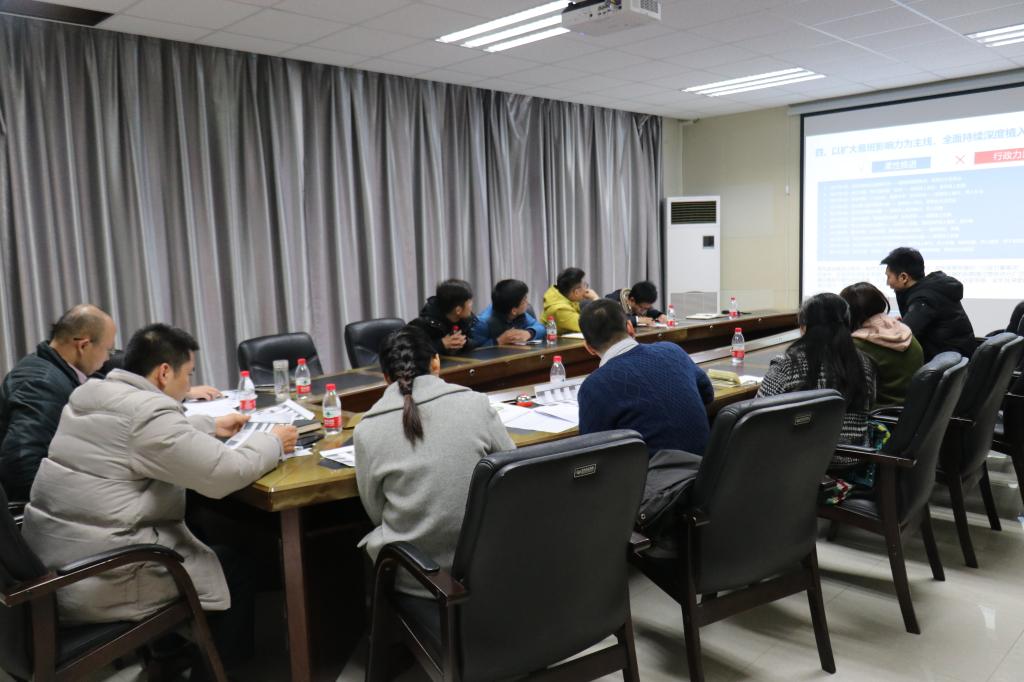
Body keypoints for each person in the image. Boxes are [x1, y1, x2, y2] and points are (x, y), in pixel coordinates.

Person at [22, 323, 297, 670]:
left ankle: (171, 653)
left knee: (201, 537)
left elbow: (137, 436)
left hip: (51, 571)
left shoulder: (92, 394)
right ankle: (217, 673)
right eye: (188, 374)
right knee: (233, 568)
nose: (189, 384)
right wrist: (273, 441)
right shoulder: (148, 413)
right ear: (164, 372)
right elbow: (225, 474)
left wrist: (209, 426)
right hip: (100, 578)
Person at [354, 325, 514, 596]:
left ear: (385, 377)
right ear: (436, 362)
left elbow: (376, 512)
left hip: (418, 576)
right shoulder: (476, 403)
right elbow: (512, 473)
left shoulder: (366, 430)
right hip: (488, 566)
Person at [0, 305, 116, 501]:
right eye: (108, 350)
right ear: (83, 346)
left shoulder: (52, 368)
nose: (107, 358)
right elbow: (22, 465)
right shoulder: (41, 383)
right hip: (37, 506)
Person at [577, 299, 714, 456]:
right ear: (630, 327)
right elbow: (707, 394)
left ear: (589, 348)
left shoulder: (594, 385)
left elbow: (590, 451)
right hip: (708, 465)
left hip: (653, 471)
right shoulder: (672, 350)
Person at [756, 293, 877, 460]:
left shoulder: (788, 363)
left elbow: (757, 414)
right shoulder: (865, 362)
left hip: (801, 462)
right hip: (854, 456)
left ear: (804, 326)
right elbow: (870, 404)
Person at [881, 246, 978, 360]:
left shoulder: (924, 299)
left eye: (888, 277)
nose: (887, 283)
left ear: (903, 277)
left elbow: (903, 337)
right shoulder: (932, 289)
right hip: (956, 358)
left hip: (946, 361)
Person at [840, 282, 923, 407]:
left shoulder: (858, 344)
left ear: (848, 313)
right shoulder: (904, 331)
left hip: (879, 412)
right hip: (909, 408)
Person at [409, 278, 479, 356]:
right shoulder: (424, 324)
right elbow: (410, 351)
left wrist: (465, 342)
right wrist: (441, 344)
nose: (472, 304)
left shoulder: (466, 320)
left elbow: (476, 342)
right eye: (469, 302)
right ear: (458, 310)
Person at [469, 279, 545, 347]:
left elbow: (540, 327)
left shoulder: (522, 314)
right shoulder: (482, 322)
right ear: (514, 311)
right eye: (524, 301)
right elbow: (475, 350)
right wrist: (498, 341)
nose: (527, 303)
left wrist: (529, 333)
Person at [542, 267, 600, 334]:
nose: (587, 289)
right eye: (585, 285)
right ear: (576, 292)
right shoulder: (560, 310)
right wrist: (596, 299)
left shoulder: (567, 298)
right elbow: (591, 327)